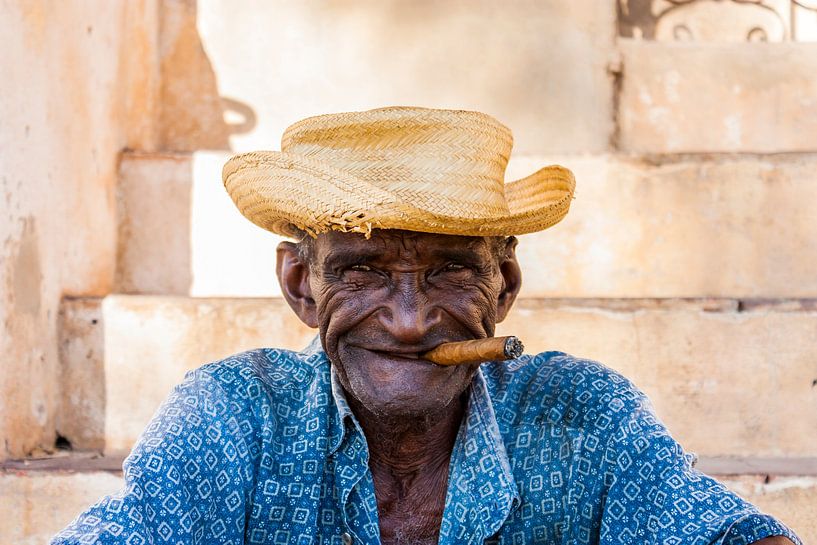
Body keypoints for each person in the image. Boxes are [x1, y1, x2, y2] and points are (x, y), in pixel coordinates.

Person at [52, 107, 801, 545]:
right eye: (362, 270)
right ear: (299, 287)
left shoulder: (580, 416)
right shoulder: (234, 414)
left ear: (502, 286)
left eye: (448, 271)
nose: (409, 323)